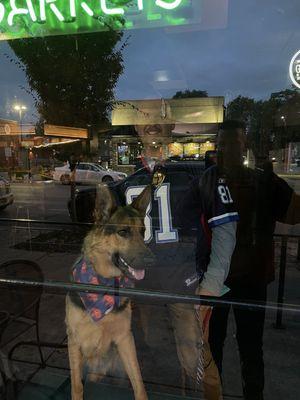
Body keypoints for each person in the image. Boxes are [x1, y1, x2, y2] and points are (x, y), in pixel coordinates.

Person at [130, 124, 238, 400]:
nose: (152, 127)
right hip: (141, 289)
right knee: (146, 355)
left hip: (184, 285)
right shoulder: (129, 181)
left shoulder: (198, 174)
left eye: (158, 122)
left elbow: (225, 228)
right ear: (137, 129)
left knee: (196, 361)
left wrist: (212, 283)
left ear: (169, 129)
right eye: (145, 121)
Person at [208, 120, 300, 400]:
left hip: (249, 280)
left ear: (243, 145)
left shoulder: (262, 181)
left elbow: (294, 214)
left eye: (232, 143)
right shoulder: (209, 180)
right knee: (214, 347)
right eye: (221, 144)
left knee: (250, 348)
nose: (226, 150)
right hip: (218, 279)